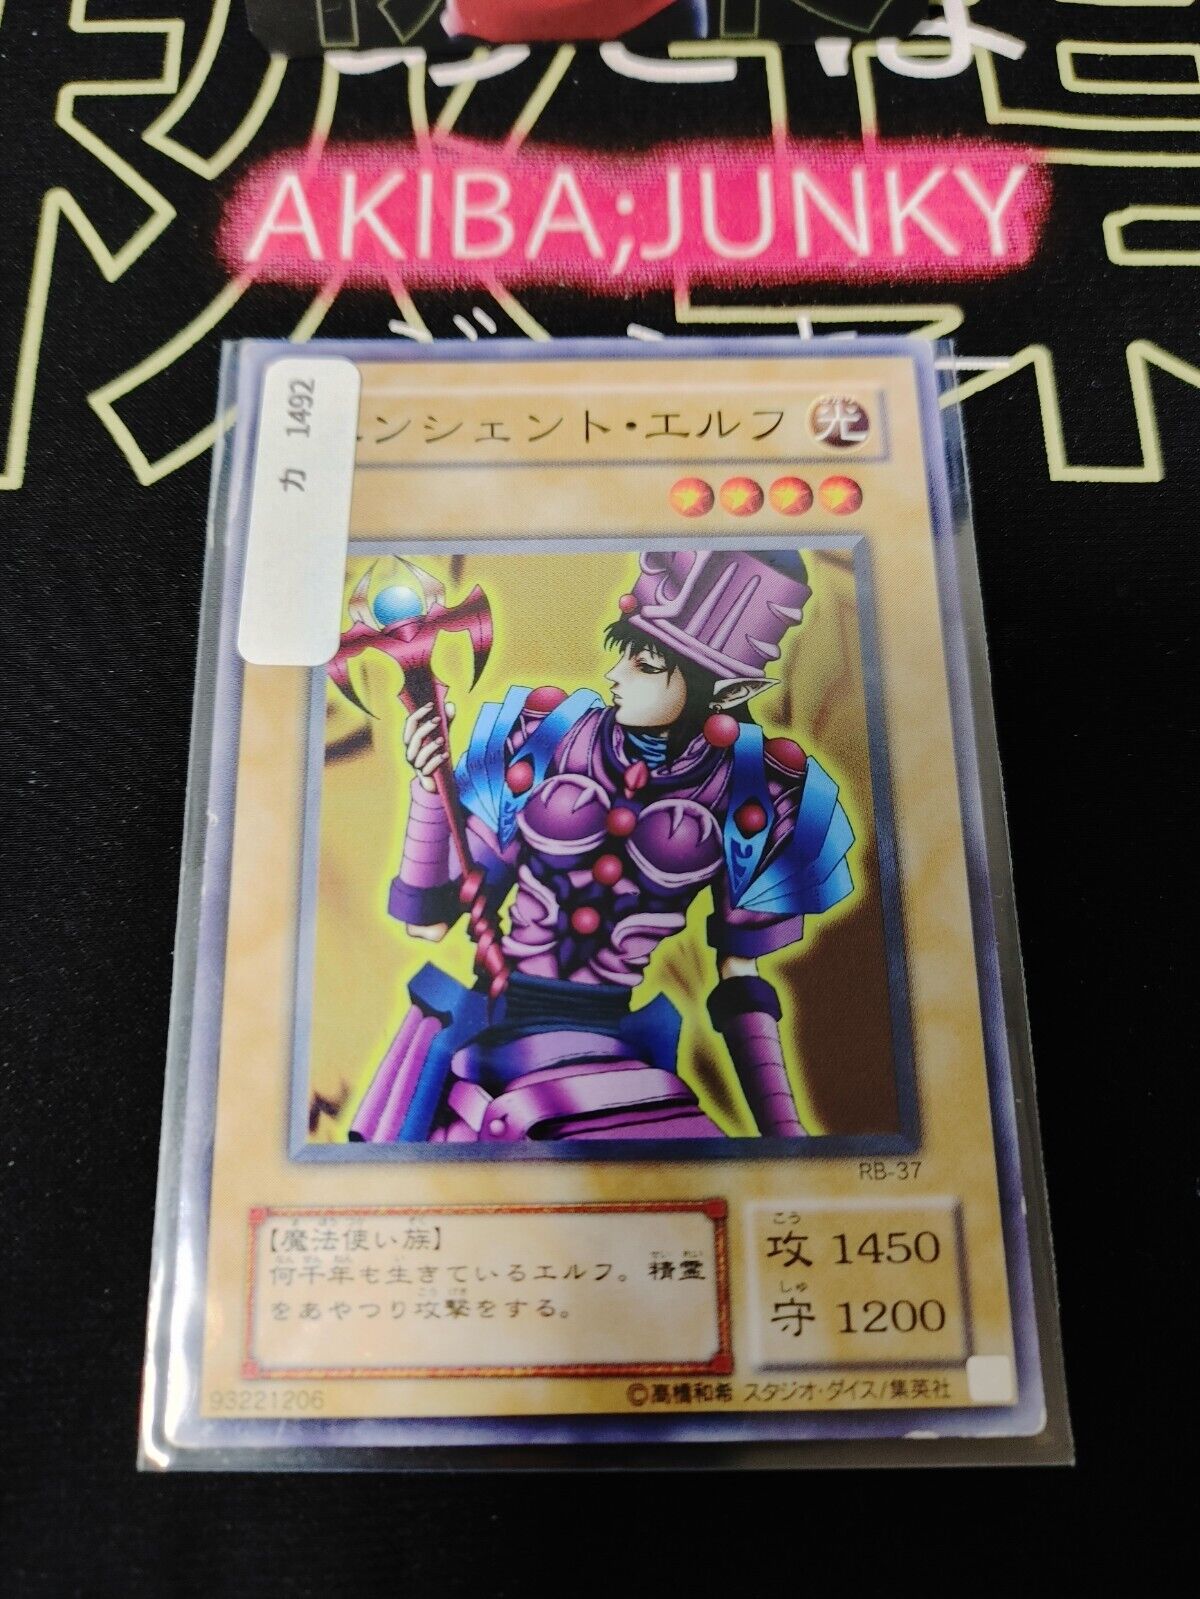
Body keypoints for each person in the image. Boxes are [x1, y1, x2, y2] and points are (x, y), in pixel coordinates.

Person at [349, 548, 853, 1144]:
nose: (615, 675)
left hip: (618, 1054)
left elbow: (740, 978)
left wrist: (784, 1134)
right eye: (625, 653)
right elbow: (429, 922)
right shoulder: (543, 737)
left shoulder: (754, 790)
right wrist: (428, 788)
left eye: (646, 664)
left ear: (725, 691)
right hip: (493, 1042)